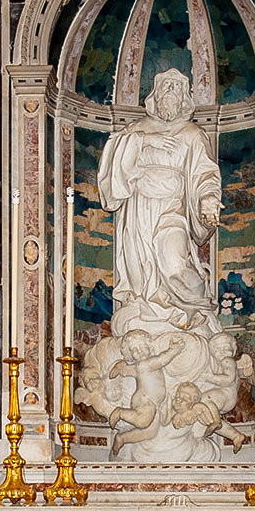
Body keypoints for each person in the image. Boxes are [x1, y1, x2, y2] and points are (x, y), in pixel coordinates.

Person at [98, 69, 222, 337]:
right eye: (166, 87)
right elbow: (113, 163)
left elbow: (205, 173)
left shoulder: (192, 134)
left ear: (184, 98)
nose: (170, 93)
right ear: (155, 94)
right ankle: (146, 314)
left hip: (171, 209)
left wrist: (208, 199)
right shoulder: (135, 130)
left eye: (176, 89)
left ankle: (198, 310)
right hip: (138, 210)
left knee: (174, 262)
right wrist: (144, 141)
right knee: (140, 274)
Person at [108, 332, 186, 454]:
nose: (138, 351)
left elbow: (125, 371)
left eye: (141, 346)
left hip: (152, 402)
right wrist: (175, 350)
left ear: (149, 346)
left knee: (150, 432)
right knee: (142, 421)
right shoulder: (145, 365)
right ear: (130, 354)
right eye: (134, 349)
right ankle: (120, 412)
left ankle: (122, 438)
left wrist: (121, 366)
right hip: (145, 400)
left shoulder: (141, 366)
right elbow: (162, 359)